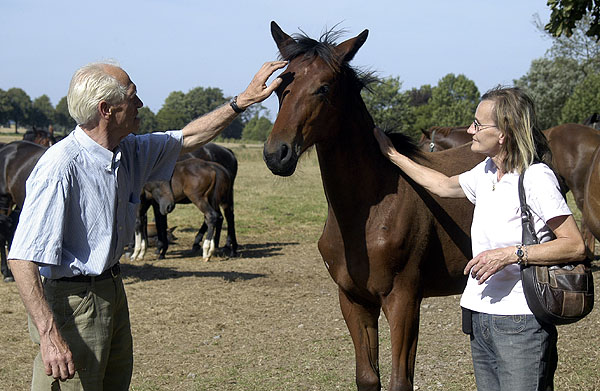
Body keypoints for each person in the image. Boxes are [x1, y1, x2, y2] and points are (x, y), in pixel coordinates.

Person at [7, 59, 287, 390]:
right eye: (133, 96)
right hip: (71, 302)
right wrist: (49, 334)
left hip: (111, 288)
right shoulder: (61, 167)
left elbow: (189, 136)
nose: (141, 104)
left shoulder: (130, 150)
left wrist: (242, 101)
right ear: (106, 109)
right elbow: (21, 257)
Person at [373, 86, 585, 391]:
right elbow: (443, 185)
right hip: (481, 316)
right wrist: (392, 155)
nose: (470, 130)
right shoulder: (485, 172)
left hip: (521, 321)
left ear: (503, 134)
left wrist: (510, 254)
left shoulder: (535, 178)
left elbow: (574, 244)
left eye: (478, 124)